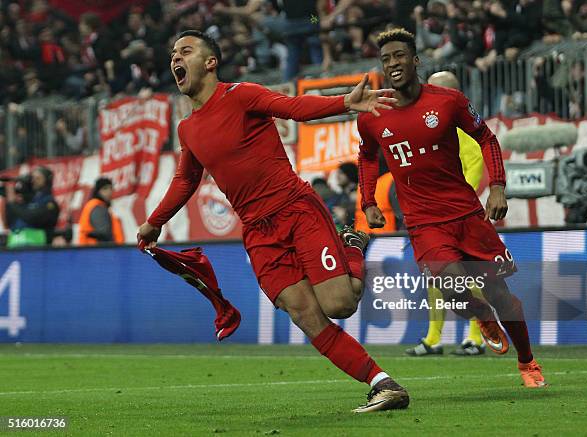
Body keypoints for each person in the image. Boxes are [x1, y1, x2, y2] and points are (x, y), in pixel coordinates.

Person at [137, 30, 409, 412]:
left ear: (210, 62)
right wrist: (155, 221)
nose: (175, 58)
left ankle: (352, 245)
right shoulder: (188, 128)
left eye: (185, 50)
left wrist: (345, 102)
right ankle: (383, 384)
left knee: (340, 304)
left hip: (295, 209)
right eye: (172, 53)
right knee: (304, 314)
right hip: (258, 232)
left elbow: (294, 107)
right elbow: (186, 179)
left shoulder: (243, 95)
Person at [357, 28, 547, 388]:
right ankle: (481, 317)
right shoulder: (372, 113)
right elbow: (366, 156)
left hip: (466, 215)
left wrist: (497, 187)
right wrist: (368, 202)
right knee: (450, 285)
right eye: (386, 59)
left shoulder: (447, 101)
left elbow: (486, 138)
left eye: (399, 56)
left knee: (501, 295)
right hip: (424, 222)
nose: (393, 64)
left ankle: (528, 363)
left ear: (415, 61)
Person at [405, 70, 487, 357]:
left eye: (434, 89)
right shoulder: (432, 125)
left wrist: (458, 203)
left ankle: (476, 337)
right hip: (432, 217)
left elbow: (475, 163)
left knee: (469, 277)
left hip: (459, 215)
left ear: (452, 93)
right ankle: (433, 338)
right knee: (437, 277)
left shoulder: (461, 124)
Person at [3, 166, 59, 247]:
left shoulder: (49, 202)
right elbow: (9, 222)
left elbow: (32, 217)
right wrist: (10, 201)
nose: (34, 181)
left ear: (47, 180)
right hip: (14, 249)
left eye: (38, 178)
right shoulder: (26, 201)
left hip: (37, 249)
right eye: (32, 178)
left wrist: (12, 204)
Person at [78, 177, 125, 245]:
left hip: (93, 251)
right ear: (98, 191)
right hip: (97, 252)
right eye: (105, 189)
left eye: (110, 188)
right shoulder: (98, 208)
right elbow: (104, 233)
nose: (109, 192)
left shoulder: (97, 206)